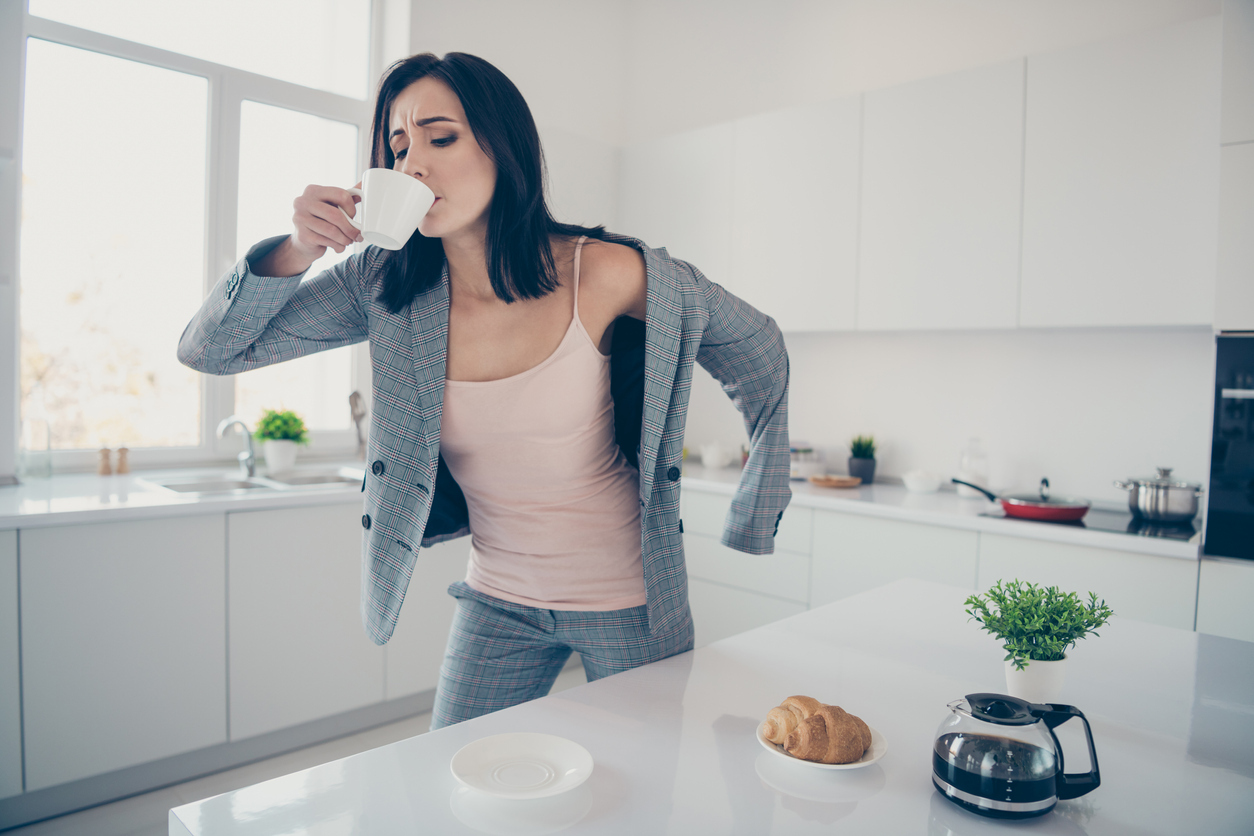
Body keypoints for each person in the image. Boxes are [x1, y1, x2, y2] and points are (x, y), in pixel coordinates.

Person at [178, 52, 791, 729]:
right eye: (398, 145)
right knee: (453, 786)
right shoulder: (382, 286)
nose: (414, 164)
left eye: (441, 137)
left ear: (504, 146)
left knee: (639, 798)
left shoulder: (607, 272)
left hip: (629, 601)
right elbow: (211, 349)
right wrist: (295, 248)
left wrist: (753, 509)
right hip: (496, 599)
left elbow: (759, 350)